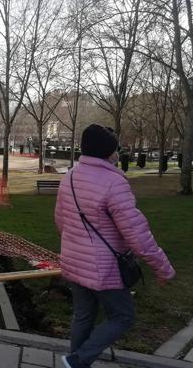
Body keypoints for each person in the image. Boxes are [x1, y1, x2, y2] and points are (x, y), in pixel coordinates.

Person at [54, 124, 175, 368]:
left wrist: (78, 245)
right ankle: (77, 360)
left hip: (73, 260)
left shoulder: (70, 176)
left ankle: (75, 363)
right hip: (104, 268)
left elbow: (60, 220)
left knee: (83, 315)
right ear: (111, 153)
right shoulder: (114, 183)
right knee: (123, 317)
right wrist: (163, 268)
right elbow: (138, 235)